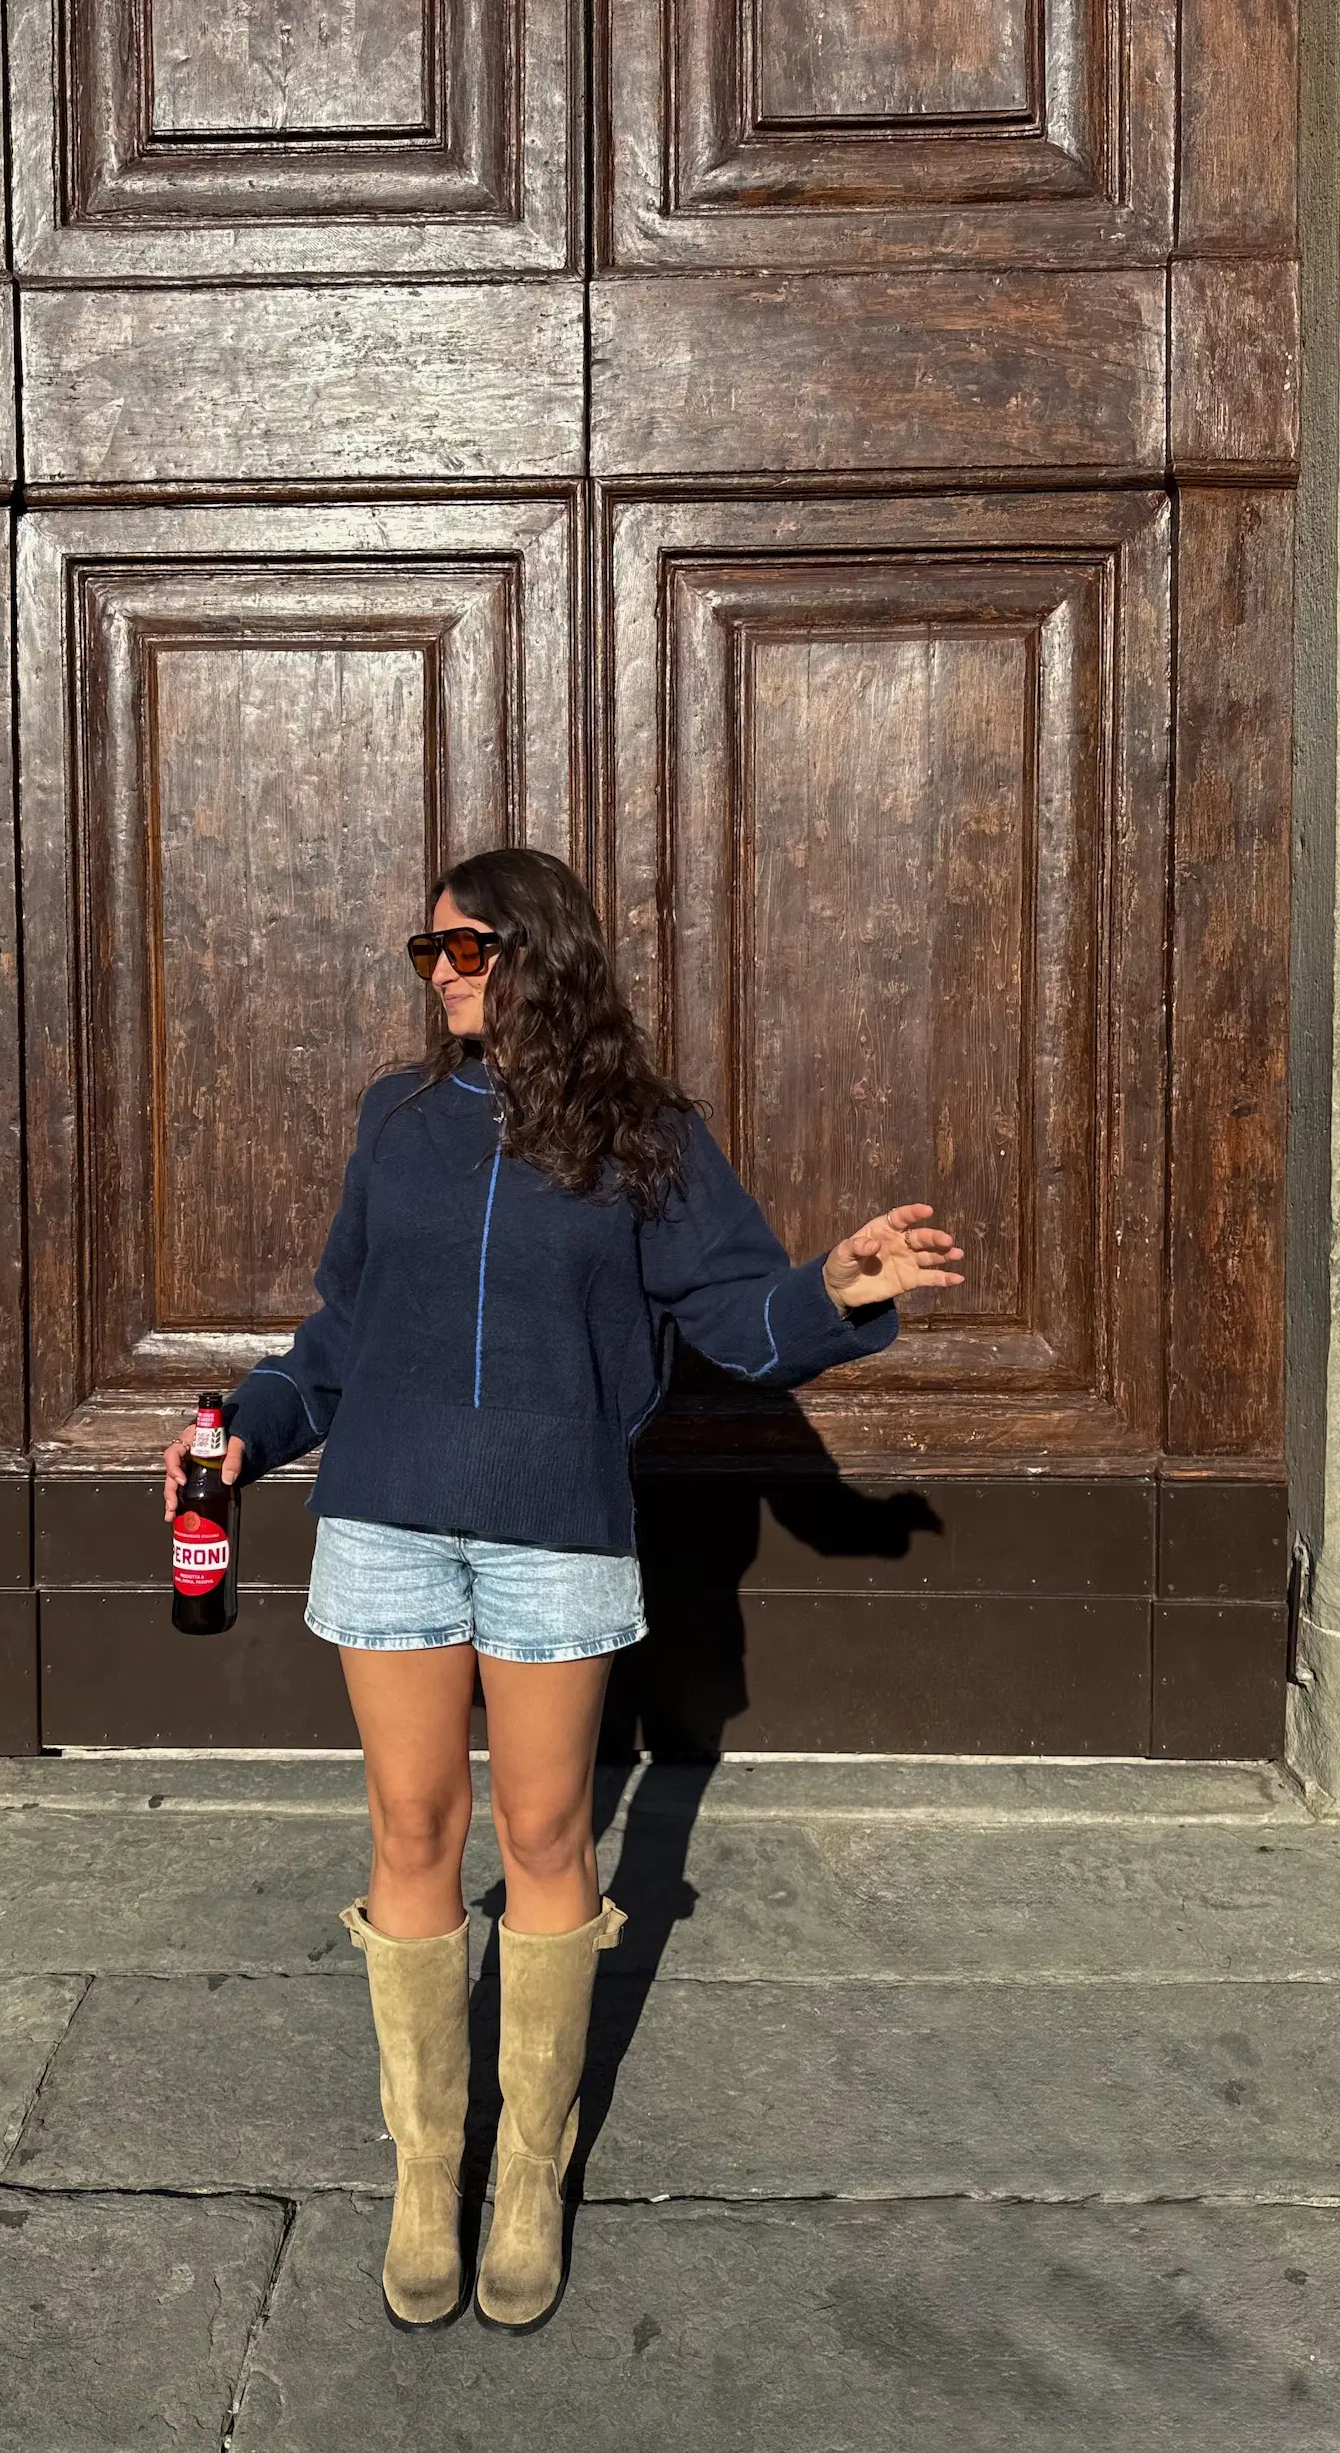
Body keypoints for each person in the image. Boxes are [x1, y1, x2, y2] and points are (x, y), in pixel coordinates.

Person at [162, 847, 966, 2334]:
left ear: (545, 955)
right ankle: (427, 2173)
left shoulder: (644, 1134)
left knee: (543, 1835)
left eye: (468, 948)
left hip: (552, 1528)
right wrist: (241, 1432)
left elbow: (737, 1316)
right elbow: (340, 1334)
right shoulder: (396, 1121)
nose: (444, 974)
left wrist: (836, 1287)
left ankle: (528, 2171)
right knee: (411, 1830)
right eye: (429, 952)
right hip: (389, 1519)